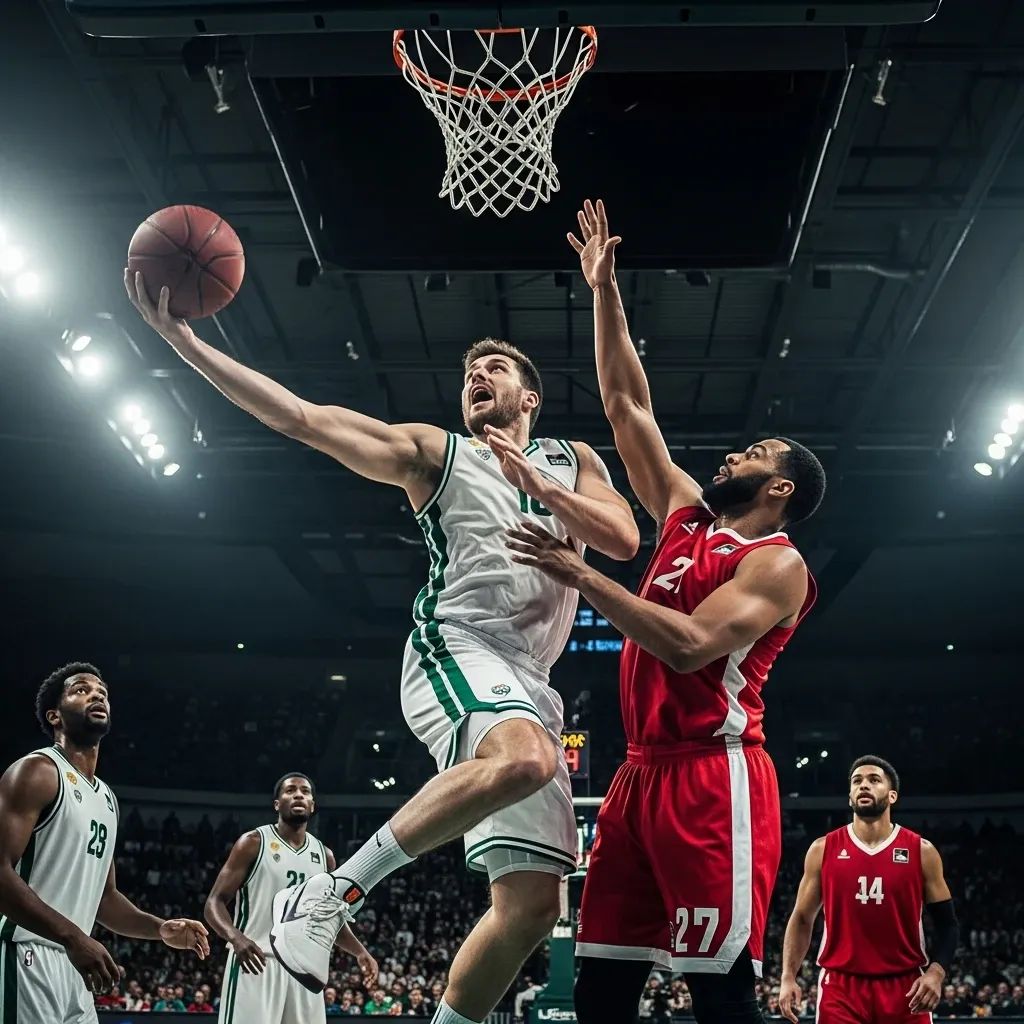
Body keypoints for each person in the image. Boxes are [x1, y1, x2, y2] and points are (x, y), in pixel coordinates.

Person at [125, 271, 638, 1024]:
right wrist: (188, 344)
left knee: (531, 908)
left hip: (532, 678)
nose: (476, 378)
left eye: (494, 369)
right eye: (468, 374)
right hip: (457, 644)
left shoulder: (574, 460)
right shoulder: (438, 453)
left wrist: (542, 486)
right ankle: (327, 898)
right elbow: (304, 418)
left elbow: (623, 540)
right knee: (527, 758)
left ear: (529, 397)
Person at [513, 200, 825, 1024]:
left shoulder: (777, 565)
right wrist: (603, 290)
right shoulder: (686, 513)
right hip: (637, 773)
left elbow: (689, 647)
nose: (730, 456)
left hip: (712, 776)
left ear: (780, 489)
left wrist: (582, 576)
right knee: (603, 987)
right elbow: (626, 405)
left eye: (752, 457)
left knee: (720, 996)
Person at [0, 662, 210, 1024]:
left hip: (75, 963)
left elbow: (105, 898)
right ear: (55, 716)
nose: (97, 695)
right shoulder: (36, 771)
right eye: (81, 689)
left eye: (103, 693)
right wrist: (72, 937)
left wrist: (159, 928)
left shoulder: (107, 799)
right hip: (26, 955)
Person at [779, 756, 959, 1024]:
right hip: (841, 987)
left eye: (874, 780)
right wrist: (788, 977)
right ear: (850, 795)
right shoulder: (822, 849)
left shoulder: (922, 851)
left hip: (906, 986)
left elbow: (948, 925)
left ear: (892, 795)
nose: (864, 785)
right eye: (857, 781)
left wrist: (936, 972)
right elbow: (803, 917)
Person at [204, 772, 377, 1024]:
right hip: (257, 961)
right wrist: (236, 938)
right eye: (290, 790)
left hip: (305, 968)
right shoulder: (253, 842)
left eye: (305, 792)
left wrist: (361, 952)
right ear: (277, 804)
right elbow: (213, 903)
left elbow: (328, 919)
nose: (299, 794)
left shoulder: (324, 855)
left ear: (312, 805)